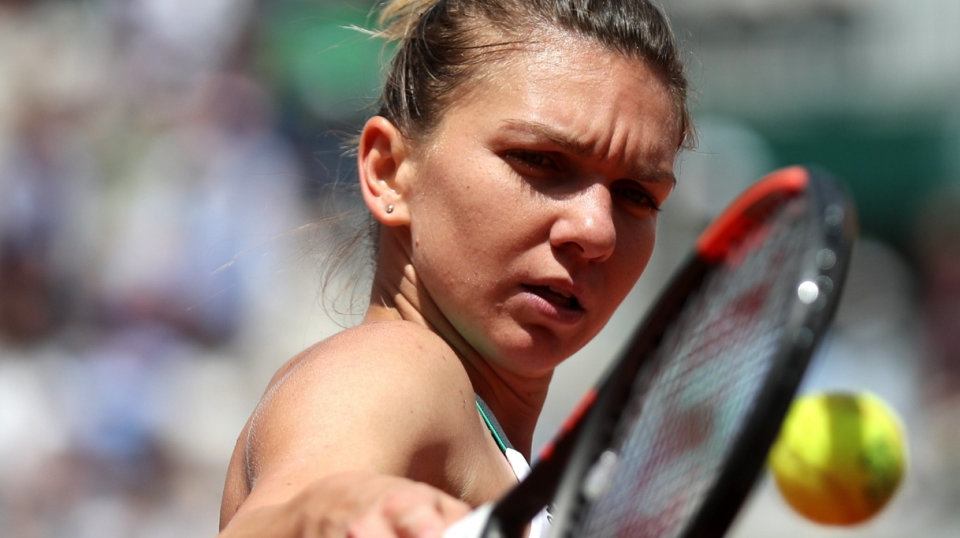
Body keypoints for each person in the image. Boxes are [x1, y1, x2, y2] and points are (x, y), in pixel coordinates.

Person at [217, 0, 693, 536]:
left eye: (636, 195)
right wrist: (329, 510)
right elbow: (294, 510)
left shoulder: (494, 452)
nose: (596, 231)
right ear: (390, 172)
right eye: (538, 159)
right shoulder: (394, 368)